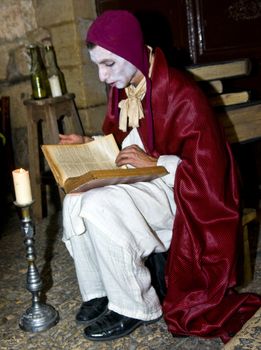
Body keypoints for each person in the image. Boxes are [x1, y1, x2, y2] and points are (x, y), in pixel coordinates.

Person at [60, 10, 261, 343]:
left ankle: (135, 305)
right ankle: (98, 291)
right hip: (145, 182)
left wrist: (155, 160)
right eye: (97, 65)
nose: (103, 76)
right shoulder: (125, 88)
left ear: (130, 52)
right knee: (75, 198)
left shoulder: (181, 93)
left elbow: (211, 173)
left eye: (108, 64)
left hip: (184, 192)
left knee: (99, 205)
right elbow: (126, 145)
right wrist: (90, 144)